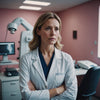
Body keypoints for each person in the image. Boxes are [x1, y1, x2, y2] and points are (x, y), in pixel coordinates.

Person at [19, 12, 77, 100]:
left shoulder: (67, 59)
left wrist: (38, 95)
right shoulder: (26, 59)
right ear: (38, 31)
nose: (53, 33)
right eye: (48, 28)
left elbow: (71, 95)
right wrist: (58, 90)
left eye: (56, 29)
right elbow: (26, 95)